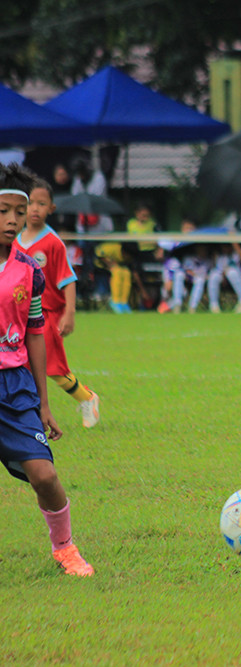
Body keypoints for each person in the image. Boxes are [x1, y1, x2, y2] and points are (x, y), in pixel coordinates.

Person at [0, 162, 94, 576]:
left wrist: (42, 402)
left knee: (45, 475)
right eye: (4, 211)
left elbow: (35, 333)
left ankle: (65, 548)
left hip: (14, 384)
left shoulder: (29, 269)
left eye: (19, 213)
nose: (13, 221)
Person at [13, 177, 101, 428]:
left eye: (42, 204)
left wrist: (69, 312)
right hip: (21, 314)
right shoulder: (15, 239)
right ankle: (26, 416)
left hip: (49, 313)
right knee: (23, 366)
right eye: (31, 203)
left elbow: (68, 279)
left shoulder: (53, 243)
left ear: (51, 209)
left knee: (53, 367)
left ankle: (87, 398)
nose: (35, 209)